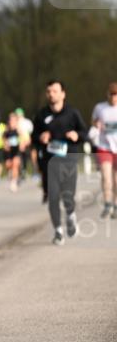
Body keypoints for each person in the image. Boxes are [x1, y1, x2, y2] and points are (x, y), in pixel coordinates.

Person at [32, 80, 88, 245]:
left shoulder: (72, 113)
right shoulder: (41, 115)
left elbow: (84, 132)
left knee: (68, 196)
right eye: (49, 91)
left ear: (63, 94)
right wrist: (40, 137)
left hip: (69, 159)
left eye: (55, 91)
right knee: (53, 197)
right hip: (49, 163)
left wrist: (77, 136)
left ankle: (70, 216)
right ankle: (58, 231)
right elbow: (33, 137)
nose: (51, 94)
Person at [91, 82, 117, 219]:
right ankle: (107, 204)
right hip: (104, 147)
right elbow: (94, 121)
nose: (114, 98)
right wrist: (97, 124)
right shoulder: (100, 108)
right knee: (106, 177)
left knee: (116, 179)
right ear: (107, 94)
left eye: (116, 95)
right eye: (111, 95)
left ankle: (116, 204)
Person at [3, 111, 30, 193]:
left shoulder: (18, 130)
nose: (11, 122)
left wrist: (22, 144)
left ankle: (13, 182)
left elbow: (26, 139)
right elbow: (3, 138)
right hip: (8, 151)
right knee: (8, 165)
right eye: (10, 120)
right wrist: (5, 144)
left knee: (15, 164)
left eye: (13, 120)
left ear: (16, 121)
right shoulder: (6, 130)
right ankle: (12, 174)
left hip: (16, 150)